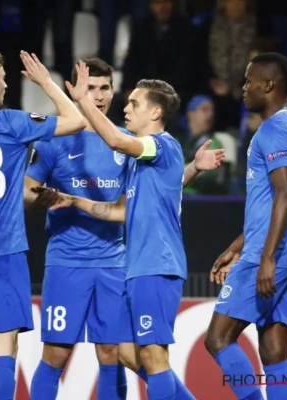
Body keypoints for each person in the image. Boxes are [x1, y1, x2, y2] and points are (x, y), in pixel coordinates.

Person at [25, 58, 225, 400]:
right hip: (67, 260)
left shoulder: (130, 141)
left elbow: (149, 182)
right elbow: (29, 195)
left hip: (117, 262)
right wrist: (56, 199)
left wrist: (189, 167)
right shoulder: (53, 140)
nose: (99, 95)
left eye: (105, 88)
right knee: (57, 353)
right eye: (90, 88)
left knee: (116, 352)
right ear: (76, 90)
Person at [0, 49, 86, 400]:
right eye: (4, 78)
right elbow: (76, 120)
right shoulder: (10, 123)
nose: (7, 85)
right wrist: (46, 83)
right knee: (4, 348)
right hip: (3, 251)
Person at [205, 52, 287, 400]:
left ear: (268, 85)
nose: (243, 88)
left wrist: (266, 257)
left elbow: (285, 194)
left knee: (218, 338)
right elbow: (273, 201)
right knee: (272, 347)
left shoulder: (273, 130)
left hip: (271, 253)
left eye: (249, 81)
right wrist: (237, 246)